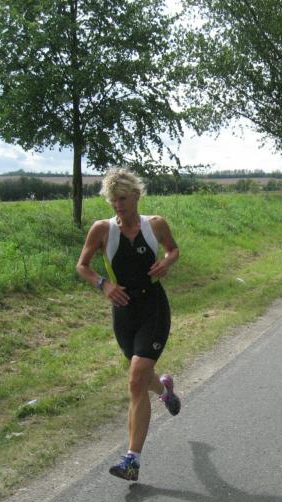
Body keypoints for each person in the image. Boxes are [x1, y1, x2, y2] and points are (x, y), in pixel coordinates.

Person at [76, 167, 181, 482]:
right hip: (123, 312)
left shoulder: (155, 224)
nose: (117, 205)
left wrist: (167, 261)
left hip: (153, 307)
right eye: (113, 200)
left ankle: (131, 460)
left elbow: (173, 248)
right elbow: (82, 266)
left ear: (136, 195)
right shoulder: (102, 230)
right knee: (142, 377)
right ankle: (164, 390)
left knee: (135, 380)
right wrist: (103, 284)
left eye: (122, 198)